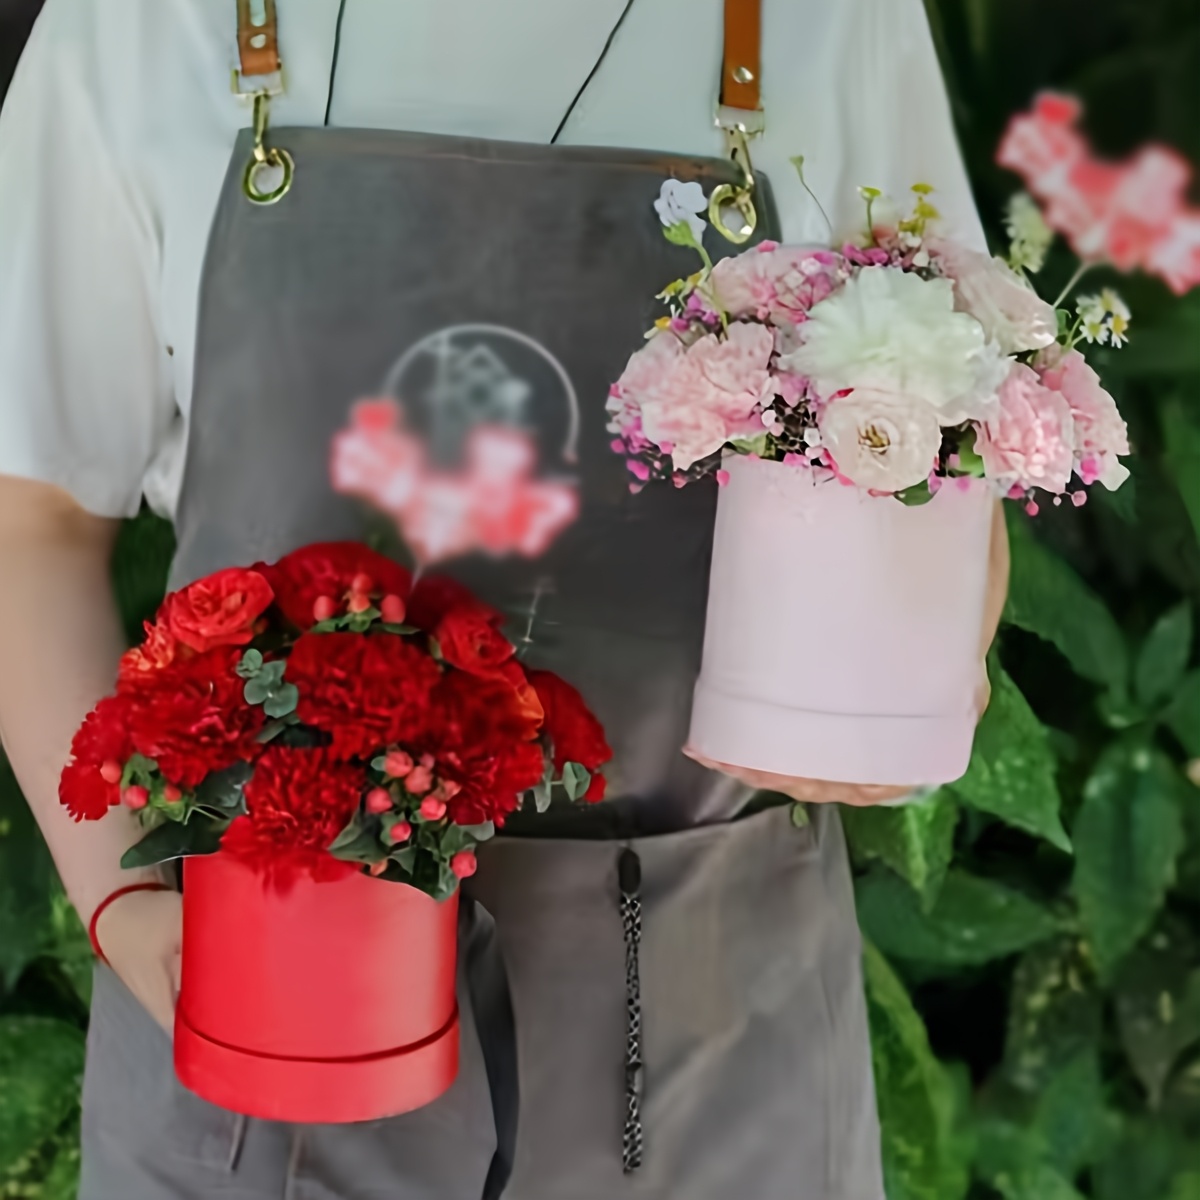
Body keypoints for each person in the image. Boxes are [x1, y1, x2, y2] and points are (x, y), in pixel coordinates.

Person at [0, 1, 1009, 1197]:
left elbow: (953, 453)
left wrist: (912, 671)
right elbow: (33, 525)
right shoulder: (146, 22)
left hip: (708, 1021)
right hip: (277, 1004)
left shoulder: (823, 21)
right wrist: (125, 901)